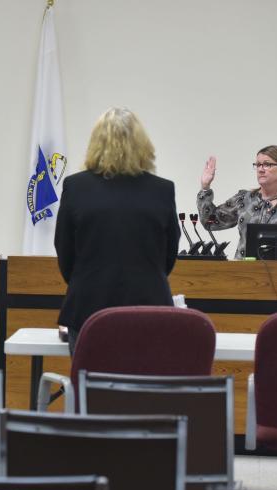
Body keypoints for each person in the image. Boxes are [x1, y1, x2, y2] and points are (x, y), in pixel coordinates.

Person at [55, 107, 180, 355]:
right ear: (142, 144)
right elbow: (169, 254)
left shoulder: (76, 187)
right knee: (144, 386)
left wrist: (88, 280)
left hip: (88, 307)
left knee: (89, 388)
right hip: (149, 306)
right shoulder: (162, 190)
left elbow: (64, 249)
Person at [197, 145, 277, 259]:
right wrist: (205, 187)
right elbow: (210, 222)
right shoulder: (244, 199)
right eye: (258, 165)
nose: (260, 169)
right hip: (243, 273)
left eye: (267, 164)